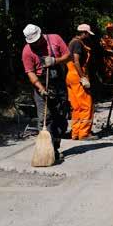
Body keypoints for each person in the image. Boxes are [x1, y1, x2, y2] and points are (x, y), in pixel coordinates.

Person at [21, 24, 70, 161]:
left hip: (58, 84)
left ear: (41, 34)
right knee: (45, 118)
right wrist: (41, 88)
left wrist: (55, 60)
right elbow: (30, 73)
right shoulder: (27, 51)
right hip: (41, 85)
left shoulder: (55, 39)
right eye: (32, 42)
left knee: (60, 116)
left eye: (36, 41)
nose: (35, 44)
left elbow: (68, 56)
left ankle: (55, 145)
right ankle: (49, 151)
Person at [66, 24, 96, 140]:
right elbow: (76, 61)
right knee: (86, 105)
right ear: (83, 33)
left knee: (76, 106)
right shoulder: (78, 43)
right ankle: (84, 133)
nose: (88, 36)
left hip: (70, 76)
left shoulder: (72, 42)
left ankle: (76, 132)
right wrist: (83, 77)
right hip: (77, 76)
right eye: (87, 33)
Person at [99, 22, 113, 90]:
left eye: (112, 29)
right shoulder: (104, 38)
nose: (111, 30)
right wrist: (110, 51)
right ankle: (106, 90)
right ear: (107, 29)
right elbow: (103, 48)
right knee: (108, 74)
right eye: (109, 29)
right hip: (108, 59)